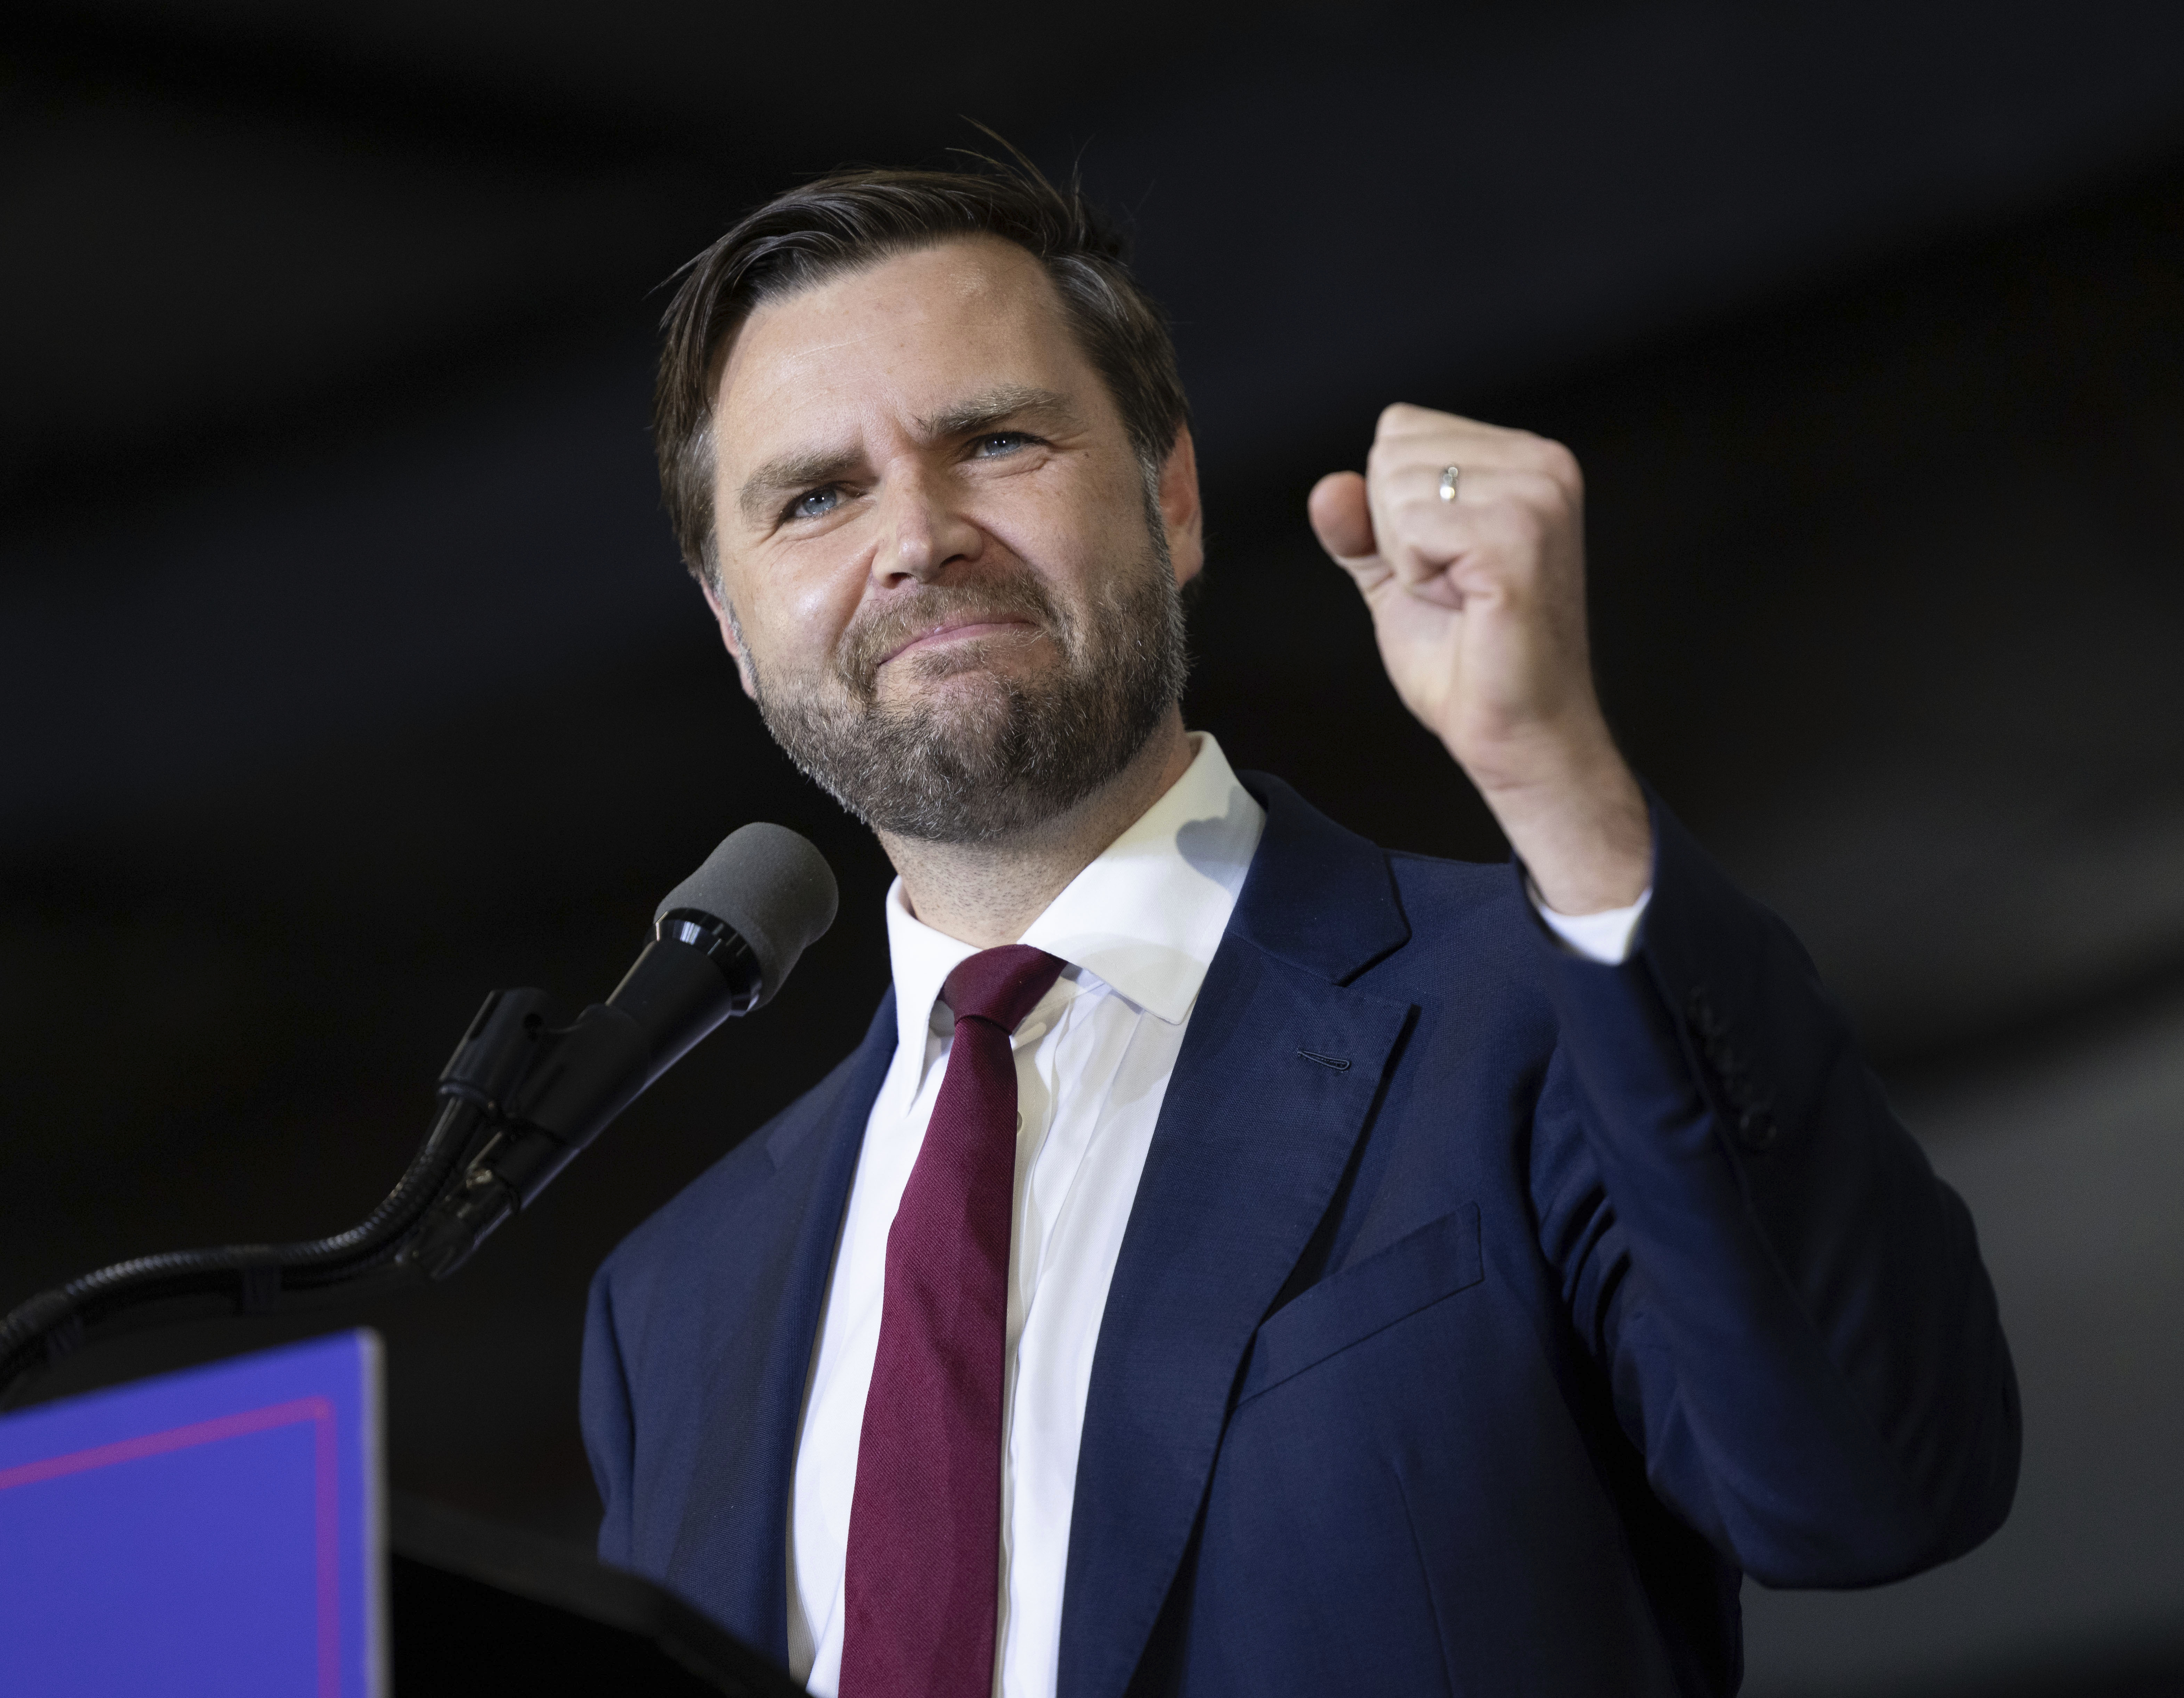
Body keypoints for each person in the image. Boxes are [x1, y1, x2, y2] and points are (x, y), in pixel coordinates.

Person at [579, 156, 2018, 1698]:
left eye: (992, 439)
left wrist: (1561, 788)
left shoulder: (1532, 1003)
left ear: (1169, 493)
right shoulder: (669, 1300)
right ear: (734, 625)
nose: (917, 536)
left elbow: (1872, 1479)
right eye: (815, 497)